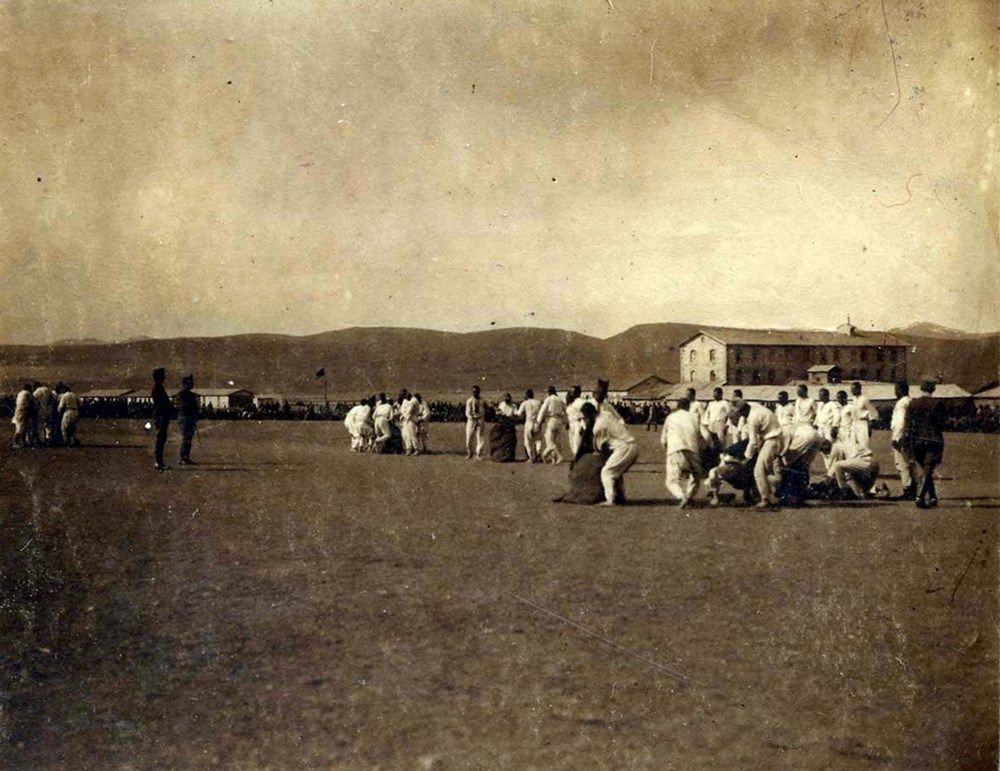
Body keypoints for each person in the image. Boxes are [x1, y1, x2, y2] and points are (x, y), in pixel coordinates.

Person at [902, 380, 946, 509]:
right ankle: (920, 497)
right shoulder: (937, 404)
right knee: (928, 469)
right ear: (933, 389)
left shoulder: (913, 403)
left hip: (916, 440)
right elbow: (941, 424)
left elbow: (908, 424)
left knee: (927, 469)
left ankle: (933, 497)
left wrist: (907, 441)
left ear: (921, 389)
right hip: (933, 439)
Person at [553, 402, 606, 504]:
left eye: (585, 417)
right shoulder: (597, 422)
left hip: (595, 457)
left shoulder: (594, 425)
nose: (584, 419)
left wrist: (577, 459)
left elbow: (584, 444)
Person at [737, 399, 783, 510]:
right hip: (775, 439)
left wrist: (746, 458)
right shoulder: (755, 408)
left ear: (743, 411)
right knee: (766, 470)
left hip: (772, 440)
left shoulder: (752, 417)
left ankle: (766, 499)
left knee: (758, 471)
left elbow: (753, 441)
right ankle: (772, 493)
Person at [593, 399, 638, 505]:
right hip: (632, 445)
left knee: (607, 472)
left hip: (624, 447)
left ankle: (610, 500)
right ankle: (620, 496)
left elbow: (599, 448)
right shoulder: (606, 414)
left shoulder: (598, 426)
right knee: (616, 473)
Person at [660, 396, 704, 508]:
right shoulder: (694, 417)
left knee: (671, 481)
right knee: (695, 477)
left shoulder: (670, 417)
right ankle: (689, 496)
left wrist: (667, 452)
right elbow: (700, 436)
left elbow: (663, 440)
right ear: (688, 407)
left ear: (677, 406)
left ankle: (681, 496)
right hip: (693, 450)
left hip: (675, 449)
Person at [775, 422, 830, 505]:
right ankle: (800, 492)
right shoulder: (789, 427)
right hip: (817, 436)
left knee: (791, 465)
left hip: (805, 437)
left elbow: (784, 451)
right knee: (804, 464)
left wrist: (783, 459)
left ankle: (790, 494)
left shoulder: (782, 431)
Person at [890, 381, 916, 500]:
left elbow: (900, 423)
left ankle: (908, 490)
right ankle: (913, 489)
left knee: (902, 464)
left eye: (896, 389)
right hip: (911, 436)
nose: (895, 392)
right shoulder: (911, 401)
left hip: (901, 437)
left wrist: (896, 438)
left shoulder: (901, 403)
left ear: (900, 390)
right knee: (911, 463)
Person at [536, 385, 568, 464]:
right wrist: (566, 422)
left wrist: (539, 422)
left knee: (549, 441)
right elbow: (566, 412)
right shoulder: (560, 399)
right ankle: (553, 459)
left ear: (549, 392)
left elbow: (542, 411)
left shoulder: (548, 399)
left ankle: (559, 456)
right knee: (557, 441)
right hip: (559, 421)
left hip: (551, 420)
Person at [151, 367, 173, 471]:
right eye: (163, 375)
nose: (164, 377)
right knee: (160, 439)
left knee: (161, 439)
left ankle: (159, 462)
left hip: (160, 415)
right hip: (161, 415)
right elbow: (163, 403)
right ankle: (158, 462)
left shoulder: (158, 387)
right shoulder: (158, 388)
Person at [177, 374, 199, 465]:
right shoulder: (184, 394)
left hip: (188, 418)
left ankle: (185, 456)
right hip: (186, 418)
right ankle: (183, 457)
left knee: (188, 438)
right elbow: (185, 407)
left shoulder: (187, 394)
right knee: (186, 438)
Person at [489, 393, 518, 462]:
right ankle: (501, 456)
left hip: (510, 424)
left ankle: (510, 456)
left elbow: (515, 414)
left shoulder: (513, 406)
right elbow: (498, 414)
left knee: (511, 441)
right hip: (503, 424)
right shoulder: (502, 405)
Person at [516, 389, 542, 462]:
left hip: (529, 423)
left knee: (527, 441)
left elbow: (519, 413)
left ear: (527, 395)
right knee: (538, 440)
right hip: (537, 422)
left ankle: (531, 458)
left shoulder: (525, 403)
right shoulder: (538, 402)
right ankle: (538, 454)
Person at [849, 381, 876, 448]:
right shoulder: (854, 399)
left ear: (859, 389)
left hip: (862, 424)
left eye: (853, 389)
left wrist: (869, 427)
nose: (851, 391)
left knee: (863, 445)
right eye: (851, 389)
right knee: (853, 446)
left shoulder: (864, 399)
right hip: (854, 423)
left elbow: (873, 412)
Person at [465, 385, 485, 460]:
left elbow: (483, 410)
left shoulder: (482, 400)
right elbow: (467, 412)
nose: (475, 393)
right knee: (469, 437)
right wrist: (471, 417)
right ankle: (470, 453)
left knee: (480, 437)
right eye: (474, 392)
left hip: (480, 419)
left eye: (477, 392)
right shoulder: (469, 401)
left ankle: (478, 454)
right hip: (471, 420)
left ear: (479, 392)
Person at [12, 383, 36, 448]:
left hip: (19, 412)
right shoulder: (28, 394)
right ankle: (15, 443)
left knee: (22, 428)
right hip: (23, 412)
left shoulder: (20, 393)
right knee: (20, 429)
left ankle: (23, 443)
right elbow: (32, 403)